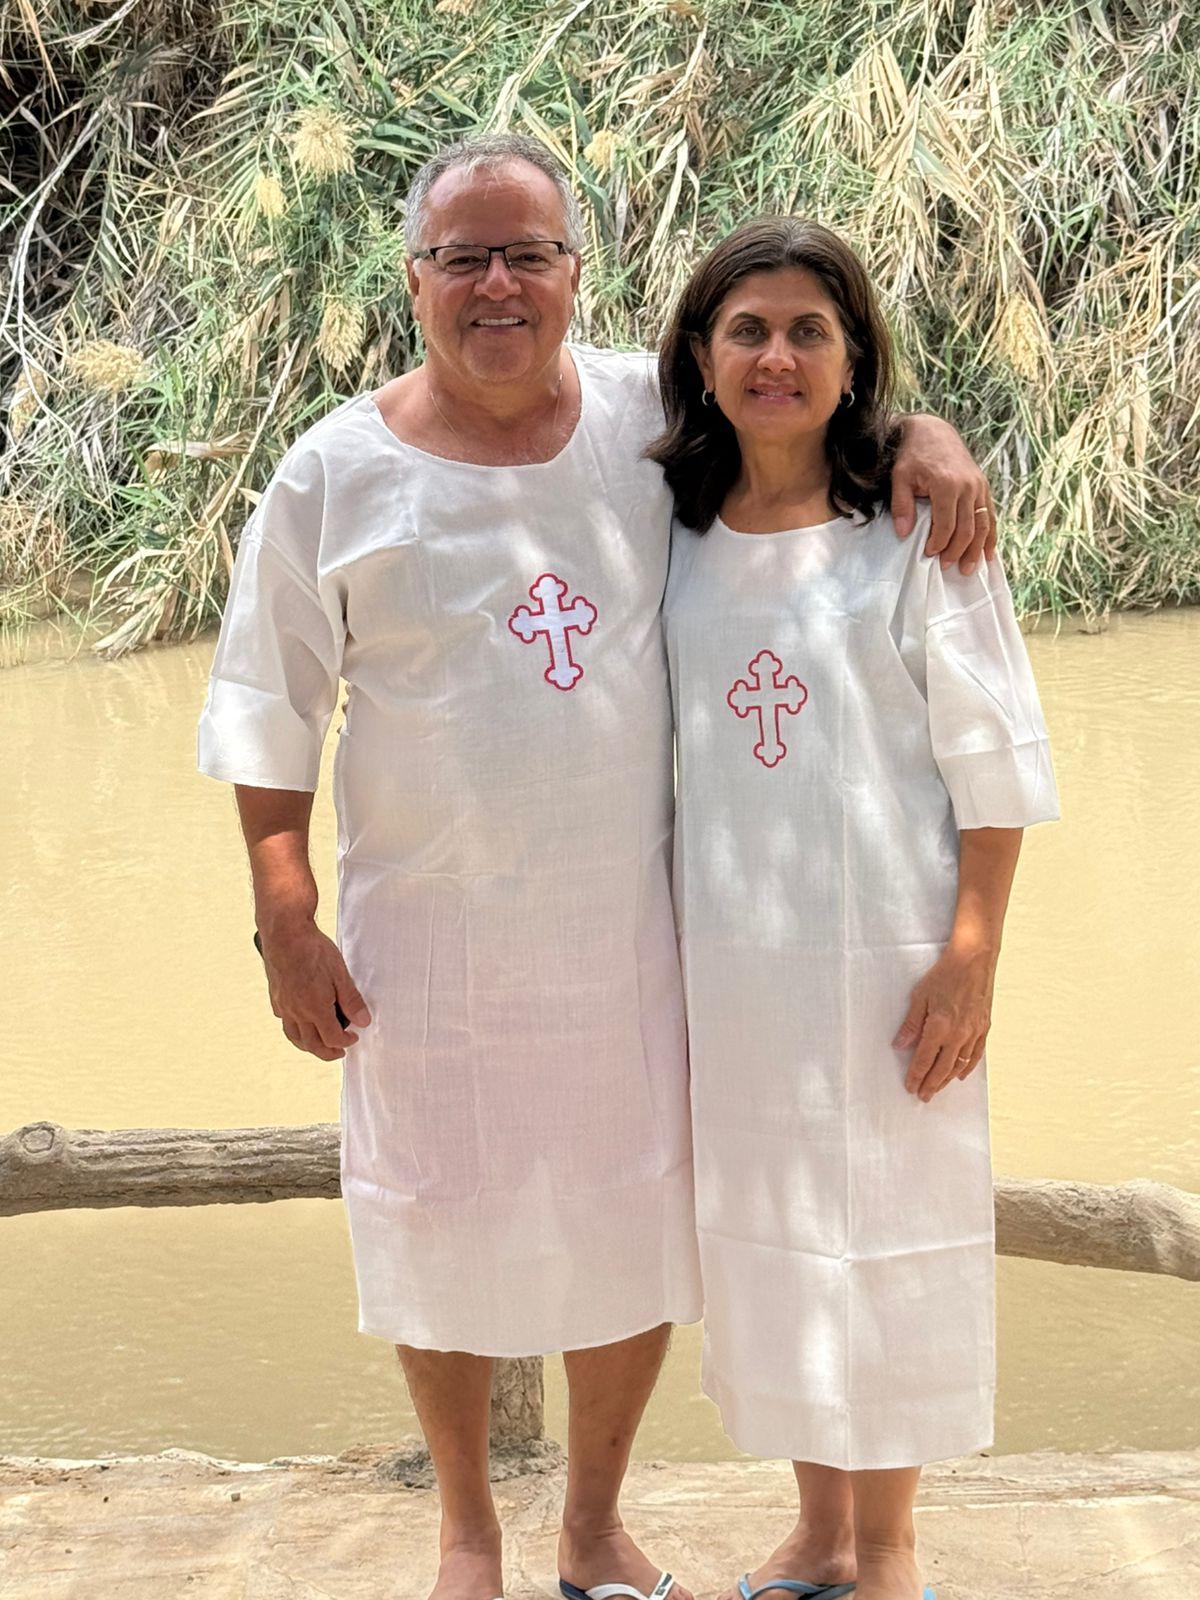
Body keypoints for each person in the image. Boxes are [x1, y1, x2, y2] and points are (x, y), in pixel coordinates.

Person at [197, 138, 996, 1600]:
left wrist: (925, 433)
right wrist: (282, 913)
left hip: (629, 926)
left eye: (529, 254)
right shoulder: (333, 471)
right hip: (420, 934)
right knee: (434, 1218)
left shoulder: (645, 414)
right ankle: (466, 1534)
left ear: (578, 271)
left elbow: (801, 399)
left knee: (629, 1219)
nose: (498, 285)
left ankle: (592, 1528)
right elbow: (268, 701)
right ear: (416, 278)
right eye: (464, 257)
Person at [652, 218, 1059, 1600]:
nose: (775, 356)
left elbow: (993, 753)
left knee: (889, 1231)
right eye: (747, 330)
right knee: (776, 1235)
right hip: (742, 969)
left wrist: (972, 955)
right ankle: (817, 1529)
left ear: (853, 358)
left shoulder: (912, 529)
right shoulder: (674, 532)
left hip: (894, 952)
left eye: (807, 331)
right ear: (701, 360)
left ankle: (885, 1552)